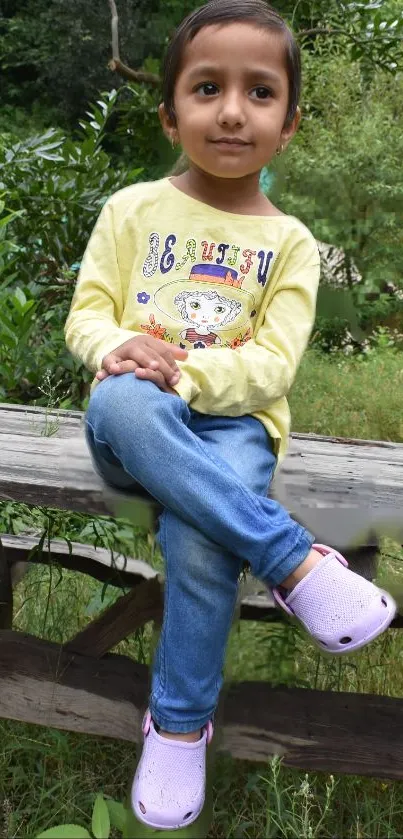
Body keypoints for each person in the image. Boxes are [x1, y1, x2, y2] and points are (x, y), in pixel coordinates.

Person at [65, 0, 396, 830]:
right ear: (170, 109)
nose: (230, 110)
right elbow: (87, 316)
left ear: (288, 123)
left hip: (236, 426)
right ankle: (294, 563)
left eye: (259, 92)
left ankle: (176, 724)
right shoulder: (131, 210)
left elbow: (273, 364)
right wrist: (117, 352)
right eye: (207, 87)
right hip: (132, 417)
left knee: (199, 535)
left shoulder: (290, 242)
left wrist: (184, 375)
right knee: (126, 398)